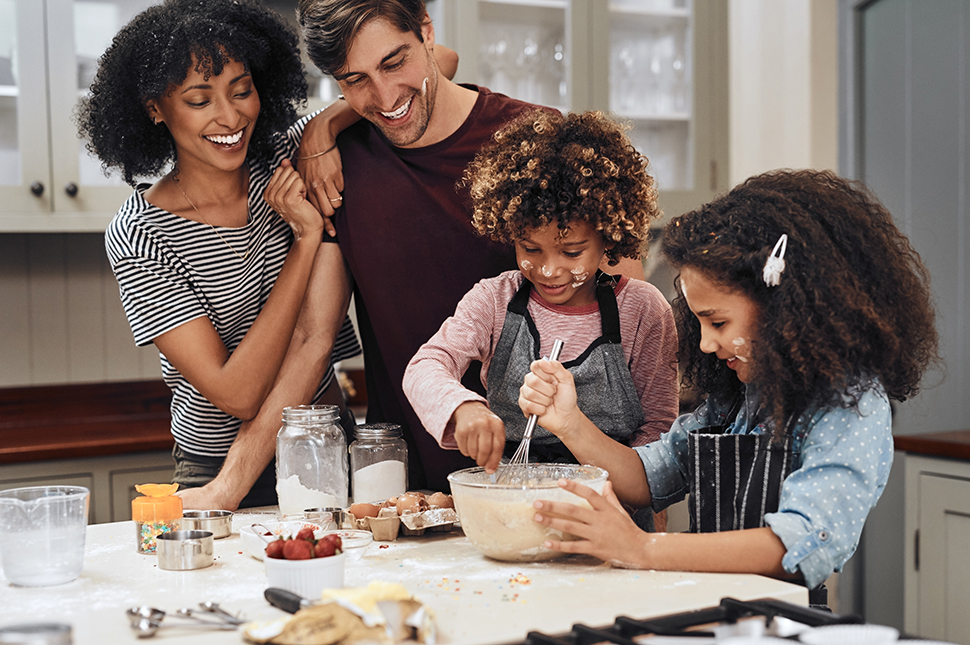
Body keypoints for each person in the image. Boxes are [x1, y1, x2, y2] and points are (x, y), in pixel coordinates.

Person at [519, 169, 939, 592]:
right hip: (707, 611)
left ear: (787, 306)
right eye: (699, 321)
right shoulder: (739, 397)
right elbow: (649, 477)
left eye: (717, 321)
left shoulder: (850, 406)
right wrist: (570, 423)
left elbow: (800, 546)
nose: (704, 344)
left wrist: (643, 548)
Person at [294, 0, 647, 491]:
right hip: (415, 490)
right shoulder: (339, 167)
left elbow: (628, 303)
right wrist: (323, 126)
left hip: (573, 489)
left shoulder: (533, 139)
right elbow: (314, 339)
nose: (384, 94)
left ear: (426, 34)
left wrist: (642, 484)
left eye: (395, 62)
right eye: (354, 80)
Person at [77, 0, 364, 509]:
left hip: (322, 442)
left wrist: (324, 127)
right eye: (199, 100)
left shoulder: (281, 157)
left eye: (242, 90)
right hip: (216, 467)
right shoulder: (141, 232)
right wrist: (304, 242)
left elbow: (439, 63)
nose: (230, 117)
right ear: (154, 108)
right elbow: (238, 394)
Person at [403, 110, 679, 477]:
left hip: (611, 510)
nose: (549, 270)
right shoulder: (494, 300)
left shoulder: (643, 310)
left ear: (609, 237)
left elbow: (657, 439)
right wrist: (462, 407)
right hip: (511, 506)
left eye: (572, 252)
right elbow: (425, 366)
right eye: (530, 249)